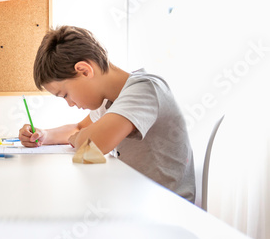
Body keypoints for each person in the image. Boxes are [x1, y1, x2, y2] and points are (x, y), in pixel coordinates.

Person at [18, 26, 195, 202]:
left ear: (84, 70)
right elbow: (78, 128)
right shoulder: (109, 101)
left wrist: (77, 138)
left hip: (166, 206)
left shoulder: (145, 90)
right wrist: (42, 135)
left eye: (65, 94)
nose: (70, 103)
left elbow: (93, 144)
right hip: (138, 198)